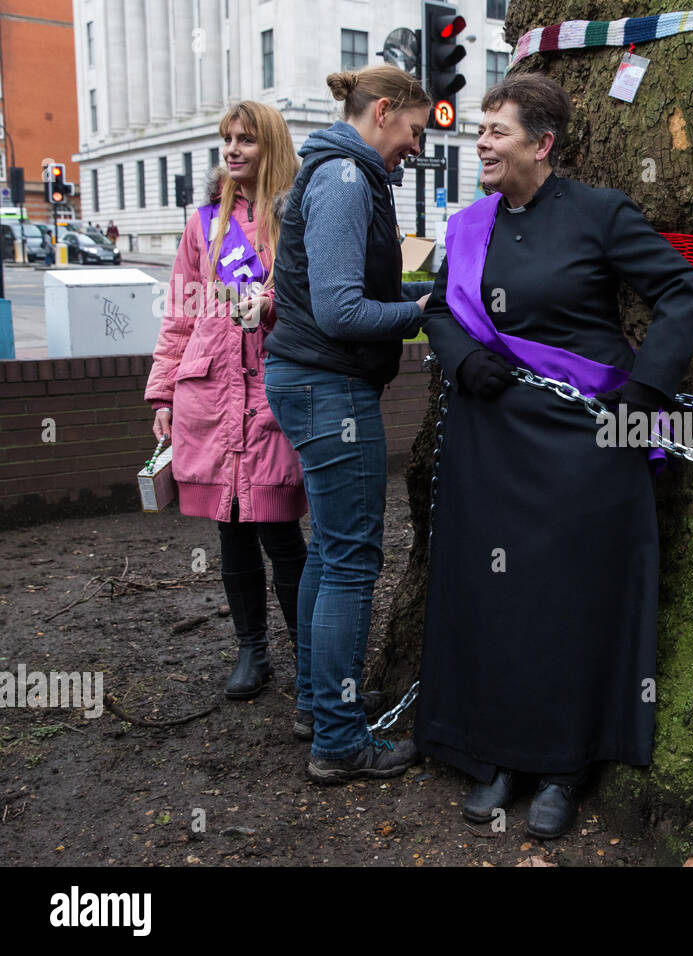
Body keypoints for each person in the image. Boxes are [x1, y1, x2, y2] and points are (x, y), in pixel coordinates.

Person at [414, 74, 693, 839]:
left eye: (497, 131)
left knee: (566, 606)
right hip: (491, 443)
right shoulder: (470, 223)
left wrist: (647, 393)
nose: (480, 141)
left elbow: (682, 293)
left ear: (542, 145)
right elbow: (440, 305)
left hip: (584, 448)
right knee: (499, 601)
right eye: (480, 128)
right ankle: (499, 755)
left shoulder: (600, 213)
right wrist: (457, 358)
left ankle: (566, 767)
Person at [263, 65, 435, 783]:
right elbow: (340, 310)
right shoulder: (342, 179)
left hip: (311, 384)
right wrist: (424, 311)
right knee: (352, 561)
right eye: (414, 133)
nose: (415, 150)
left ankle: (316, 702)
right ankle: (338, 738)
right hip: (329, 391)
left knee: (332, 553)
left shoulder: (339, 170)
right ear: (385, 111)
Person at [144, 101, 307, 700]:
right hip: (210, 393)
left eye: (247, 140)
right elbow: (179, 316)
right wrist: (163, 392)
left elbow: (316, 299)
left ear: (272, 146)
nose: (234, 150)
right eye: (227, 140)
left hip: (271, 387)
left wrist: (272, 304)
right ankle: (251, 651)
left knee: (279, 526)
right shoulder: (204, 223)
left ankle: (307, 655)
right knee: (230, 527)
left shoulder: (294, 215)